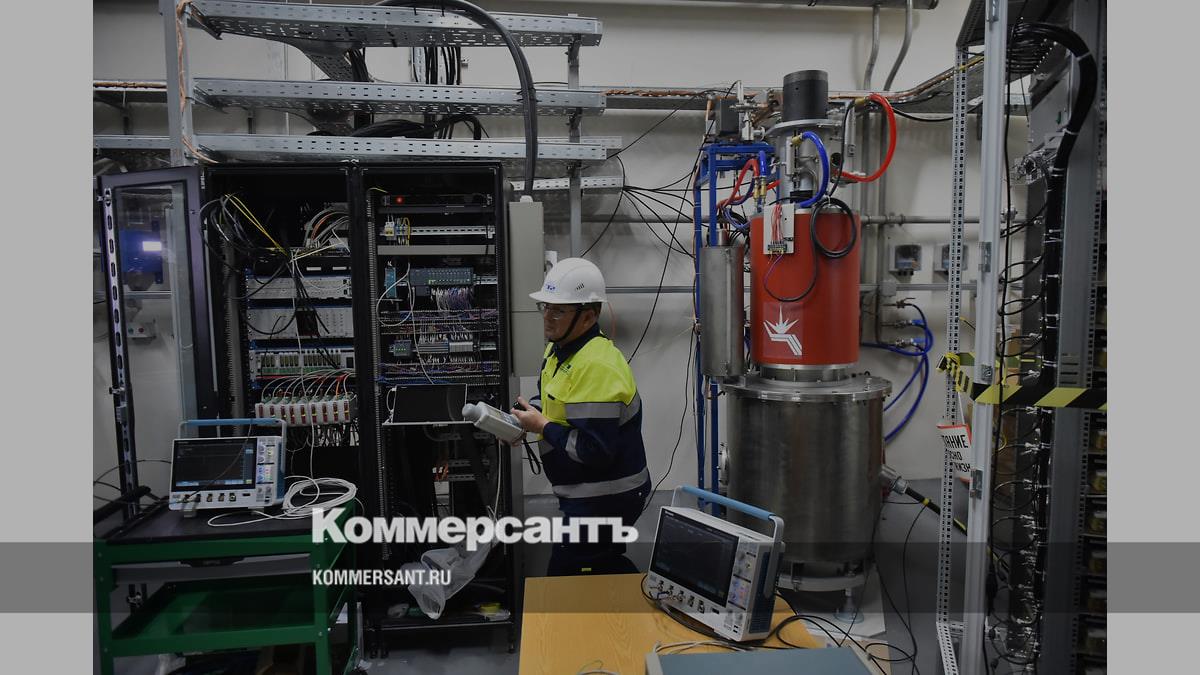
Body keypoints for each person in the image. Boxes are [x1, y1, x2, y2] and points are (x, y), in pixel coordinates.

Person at [509, 258, 651, 576]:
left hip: (607, 496)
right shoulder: (558, 348)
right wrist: (524, 419)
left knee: (567, 574)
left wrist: (542, 426)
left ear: (588, 316)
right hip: (586, 492)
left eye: (558, 311)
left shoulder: (597, 366)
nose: (547, 317)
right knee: (596, 565)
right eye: (545, 307)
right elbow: (550, 397)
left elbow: (595, 451)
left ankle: (630, 596)